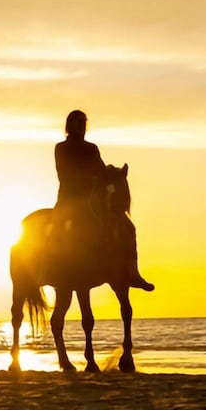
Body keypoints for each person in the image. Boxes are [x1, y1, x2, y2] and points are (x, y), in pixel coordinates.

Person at [54, 110, 154, 291]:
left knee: (128, 227)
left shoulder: (92, 148)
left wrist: (112, 174)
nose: (81, 127)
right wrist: (89, 179)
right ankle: (57, 267)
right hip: (69, 200)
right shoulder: (61, 148)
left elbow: (101, 170)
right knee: (60, 227)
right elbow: (64, 175)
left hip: (93, 199)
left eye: (83, 123)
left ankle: (133, 272)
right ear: (70, 126)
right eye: (78, 123)